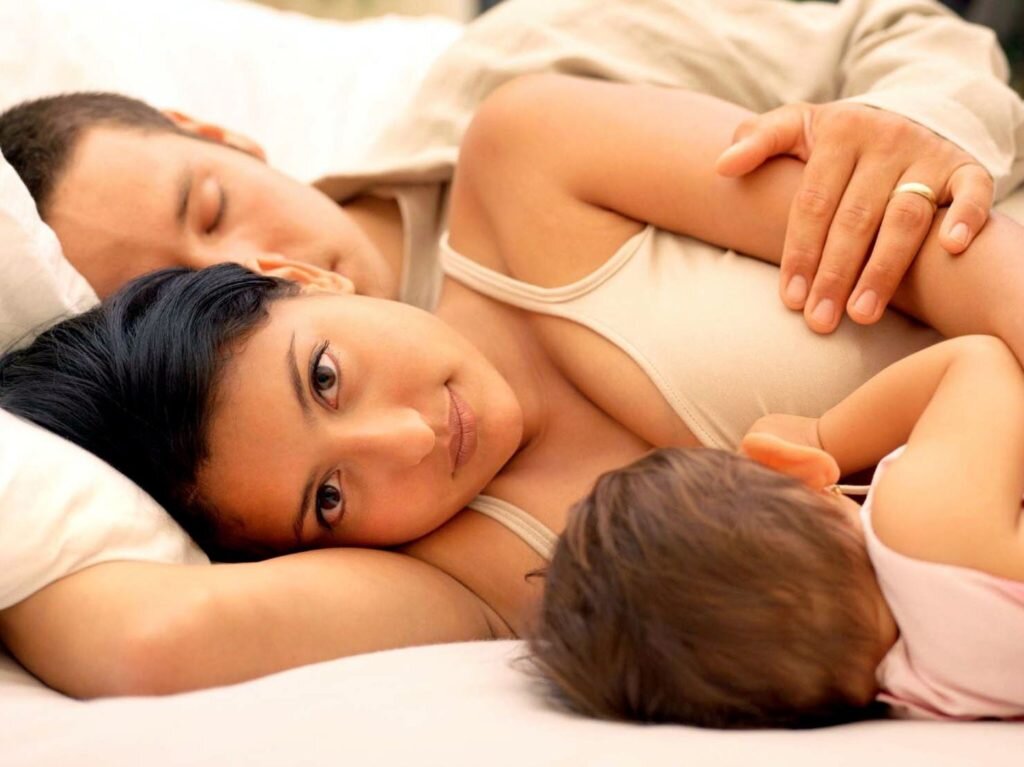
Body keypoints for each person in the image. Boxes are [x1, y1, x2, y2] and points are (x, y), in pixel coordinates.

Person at [5, 74, 1024, 701]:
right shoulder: (469, 576)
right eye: (329, 496)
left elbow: (933, 240)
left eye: (325, 377)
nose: (408, 439)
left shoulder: (532, 155)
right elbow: (144, 640)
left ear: (301, 278)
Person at [0, 0, 1018, 337]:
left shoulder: (529, 63)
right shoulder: (389, 455)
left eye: (214, 206)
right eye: (187, 295)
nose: (258, 264)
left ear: (221, 137)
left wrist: (914, 125)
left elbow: (893, 28)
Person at [530, 333, 1024, 725]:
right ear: (792, 468)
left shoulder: (935, 695)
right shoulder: (918, 524)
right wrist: (822, 433)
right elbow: (978, 362)